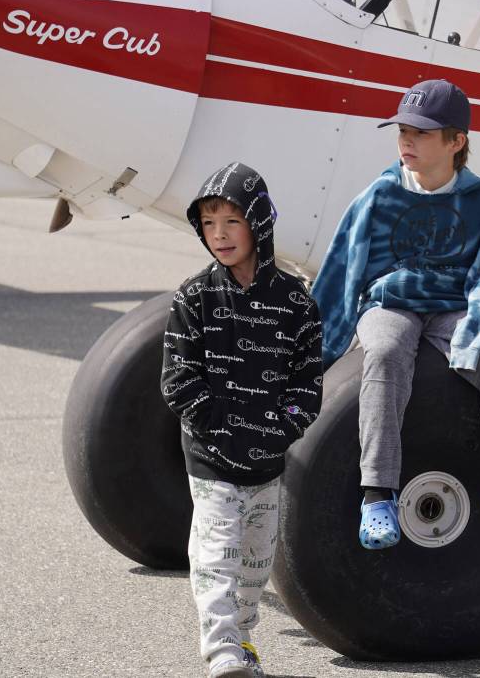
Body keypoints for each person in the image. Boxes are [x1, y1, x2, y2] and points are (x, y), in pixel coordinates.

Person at [311, 79, 480, 550]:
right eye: (402, 130)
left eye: (420, 133)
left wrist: (474, 335)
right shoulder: (379, 196)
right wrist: (314, 351)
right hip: (391, 302)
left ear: (456, 142)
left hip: (453, 307)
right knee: (384, 349)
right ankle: (377, 494)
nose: (406, 141)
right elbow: (342, 269)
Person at [161, 162, 323, 678]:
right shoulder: (194, 298)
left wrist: (277, 431)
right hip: (211, 457)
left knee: (255, 565)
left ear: (258, 222)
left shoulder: (297, 303)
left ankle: (243, 638)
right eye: (209, 224)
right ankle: (222, 648)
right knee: (217, 553)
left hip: (267, 462)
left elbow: (307, 386)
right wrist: (223, 430)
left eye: (231, 222)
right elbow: (177, 380)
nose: (220, 236)